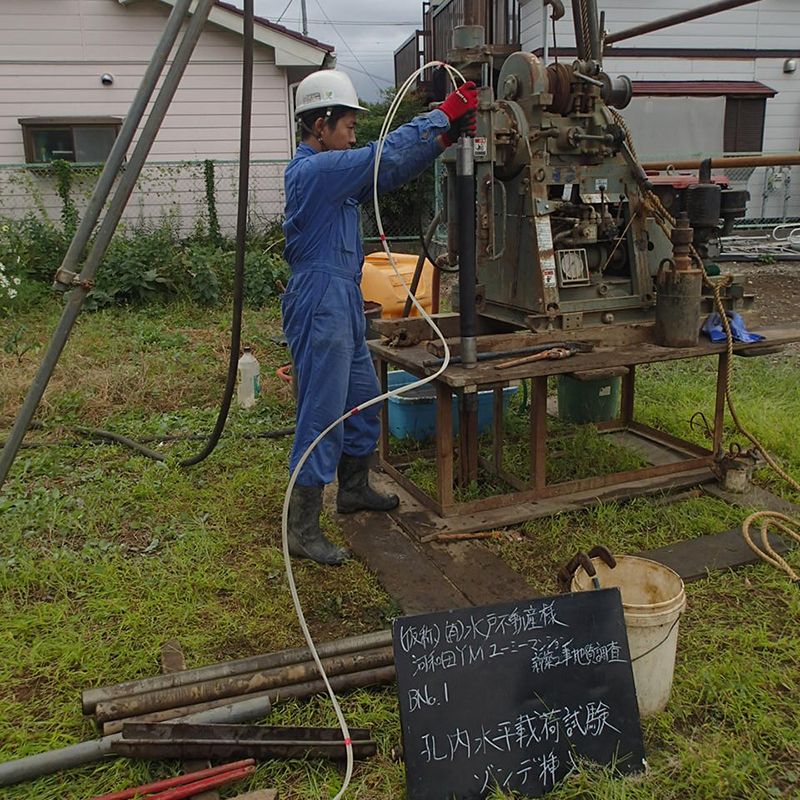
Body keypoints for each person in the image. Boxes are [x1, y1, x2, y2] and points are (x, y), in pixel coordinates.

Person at [281, 69, 478, 565]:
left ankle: (352, 489)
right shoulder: (313, 172)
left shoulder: (336, 177)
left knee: (364, 399)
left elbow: (387, 173)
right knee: (322, 413)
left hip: (344, 298)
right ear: (320, 124)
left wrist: (442, 140)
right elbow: (381, 156)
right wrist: (443, 113)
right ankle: (301, 530)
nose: (353, 134)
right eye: (347, 125)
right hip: (319, 296)